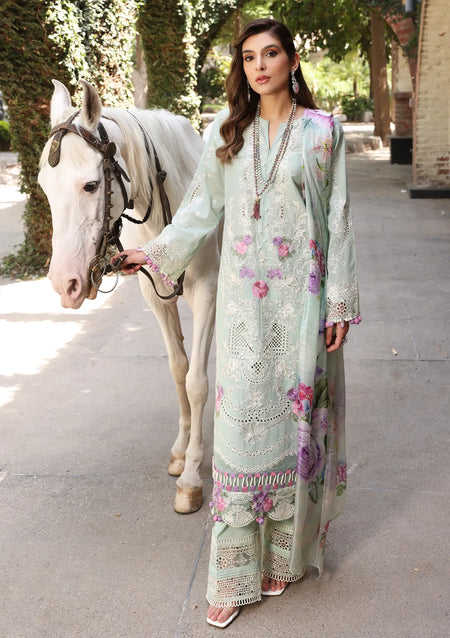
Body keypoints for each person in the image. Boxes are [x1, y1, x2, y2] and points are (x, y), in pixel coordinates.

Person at [113, 17, 361, 629]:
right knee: (241, 433)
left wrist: (338, 302)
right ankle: (230, 576)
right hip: (246, 310)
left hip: (302, 303)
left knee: (293, 429)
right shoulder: (228, 134)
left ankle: (282, 557)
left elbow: (338, 218)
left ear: (292, 61)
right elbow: (201, 209)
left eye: (270, 53)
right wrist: (153, 253)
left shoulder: (322, 132)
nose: (259, 66)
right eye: (248, 57)